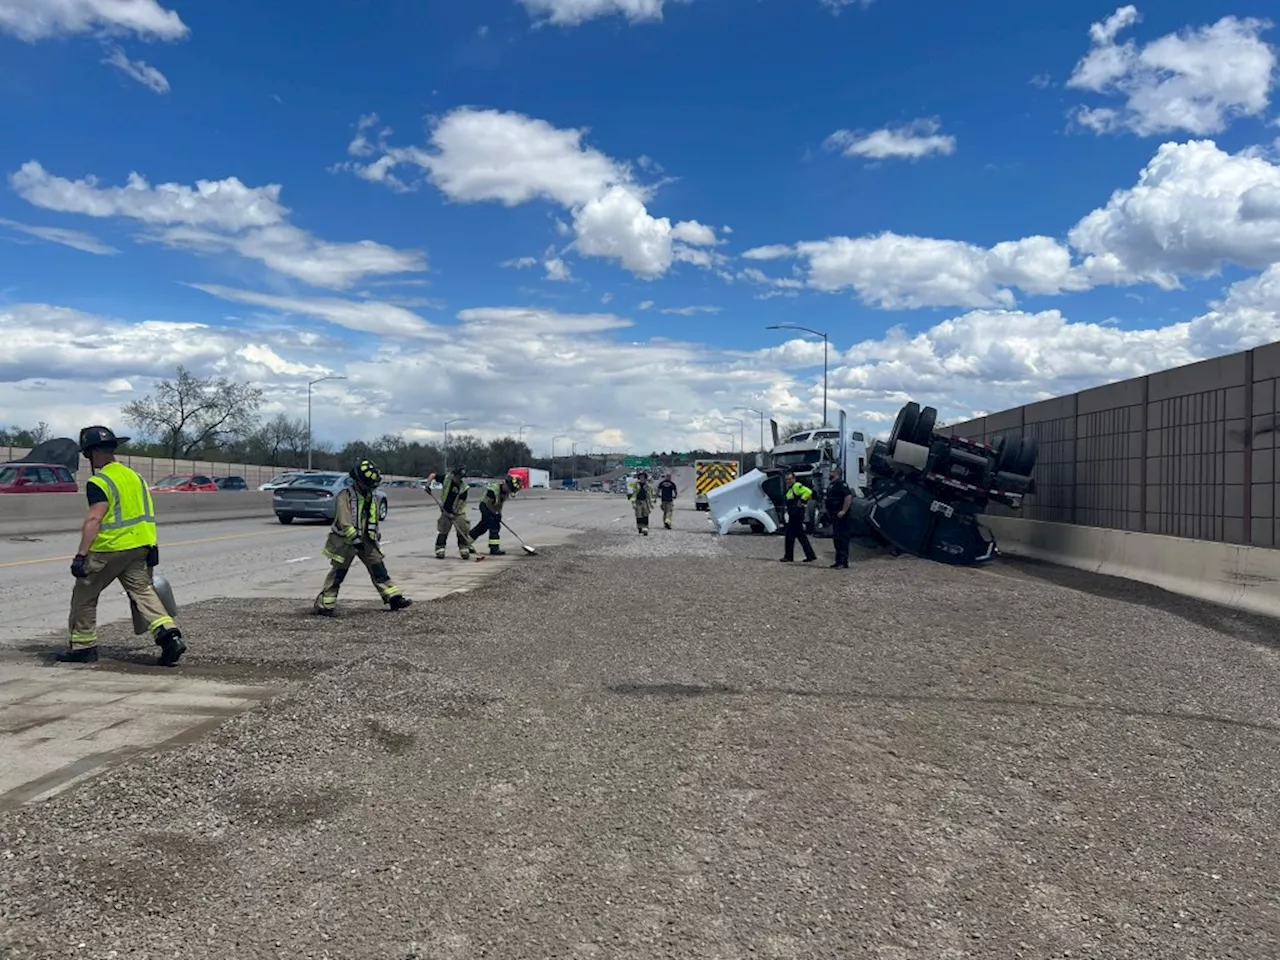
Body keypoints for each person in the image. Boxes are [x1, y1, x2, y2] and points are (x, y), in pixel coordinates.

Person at [62, 425, 185, 666]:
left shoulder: (100, 481)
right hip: (140, 547)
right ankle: (169, 636)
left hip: (109, 550)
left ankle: (83, 647)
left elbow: (94, 518)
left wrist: (81, 555)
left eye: (87, 454)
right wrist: (152, 545)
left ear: (92, 452)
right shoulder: (136, 477)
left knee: (84, 595)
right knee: (143, 592)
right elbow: (145, 512)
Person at [314, 458, 412, 616]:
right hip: (346, 542)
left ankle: (393, 597)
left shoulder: (369, 496)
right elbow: (345, 521)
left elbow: (373, 517)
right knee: (338, 573)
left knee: (379, 568)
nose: (371, 488)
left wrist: (373, 535)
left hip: (366, 540)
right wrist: (354, 539)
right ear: (359, 481)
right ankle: (325, 604)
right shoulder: (345, 496)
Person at [428, 465, 480, 560]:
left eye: (460, 477)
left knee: (463, 528)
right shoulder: (446, 479)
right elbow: (432, 475)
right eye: (457, 476)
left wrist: (453, 513)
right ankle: (440, 549)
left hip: (458, 512)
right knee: (443, 529)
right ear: (454, 475)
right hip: (445, 511)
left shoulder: (464, 489)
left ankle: (464, 549)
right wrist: (428, 485)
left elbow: (459, 504)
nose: (458, 479)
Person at [471, 474, 521, 555]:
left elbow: (500, 504)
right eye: (509, 488)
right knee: (493, 526)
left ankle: (466, 542)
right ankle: (494, 549)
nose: (509, 491)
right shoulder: (493, 490)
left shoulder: (505, 493)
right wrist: (494, 513)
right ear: (505, 484)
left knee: (483, 526)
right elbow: (488, 503)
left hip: (494, 508)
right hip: (485, 506)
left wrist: (499, 514)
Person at [780, 470, 817, 563]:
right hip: (794, 515)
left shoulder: (796, 486)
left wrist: (802, 501)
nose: (788, 481)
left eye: (789, 479)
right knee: (800, 536)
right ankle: (810, 555)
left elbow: (808, 492)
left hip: (796, 515)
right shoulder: (790, 489)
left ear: (794, 479)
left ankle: (789, 557)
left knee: (789, 535)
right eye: (786, 480)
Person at [825, 465, 855, 569]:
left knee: (842, 539)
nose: (829, 473)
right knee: (837, 539)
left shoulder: (841, 484)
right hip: (834, 515)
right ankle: (838, 561)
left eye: (831, 472)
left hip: (842, 516)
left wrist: (843, 510)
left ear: (836, 473)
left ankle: (843, 562)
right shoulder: (832, 485)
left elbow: (848, 497)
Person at [629, 470, 655, 536]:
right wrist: (633, 502)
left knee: (645, 514)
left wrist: (651, 503)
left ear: (645, 477)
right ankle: (640, 527)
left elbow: (650, 494)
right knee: (639, 515)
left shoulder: (648, 485)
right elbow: (634, 493)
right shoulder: (636, 485)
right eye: (640, 476)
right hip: (638, 501)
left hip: (645, 501)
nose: (642, 478)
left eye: (643, 476)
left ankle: (645, 528)